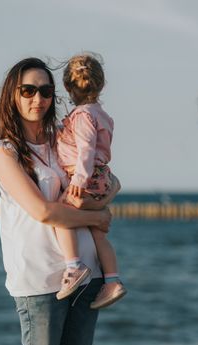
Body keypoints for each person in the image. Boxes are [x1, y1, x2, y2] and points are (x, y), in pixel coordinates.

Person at [0, 57, 119, 345]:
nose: (38, 98)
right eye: (28, 90)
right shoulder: (4, 153)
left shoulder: (64, 137)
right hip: (40, 282)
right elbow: (42, 212)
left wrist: (103, 201)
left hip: (88, 276)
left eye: (45, 91)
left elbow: (110, 181)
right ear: (12, 96)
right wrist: (96, 218)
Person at [53, 53, 126, 309]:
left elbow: (86, 149)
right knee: (98, 234)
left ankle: (74, 267)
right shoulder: (103, 115)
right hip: (101, 175)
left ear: (67, 87)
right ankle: (112, 281)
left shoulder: (82, 115)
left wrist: (79, 180)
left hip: (85, 177)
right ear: (102, 85)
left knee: (61, 215)